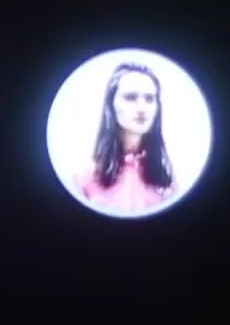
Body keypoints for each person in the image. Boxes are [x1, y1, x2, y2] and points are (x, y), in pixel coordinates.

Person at [75, 60, 175, 216]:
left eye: (149, 99)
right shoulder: (85, 179)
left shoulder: (168, 182)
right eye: (130, 97)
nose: (142, 108)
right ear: (111, 105)